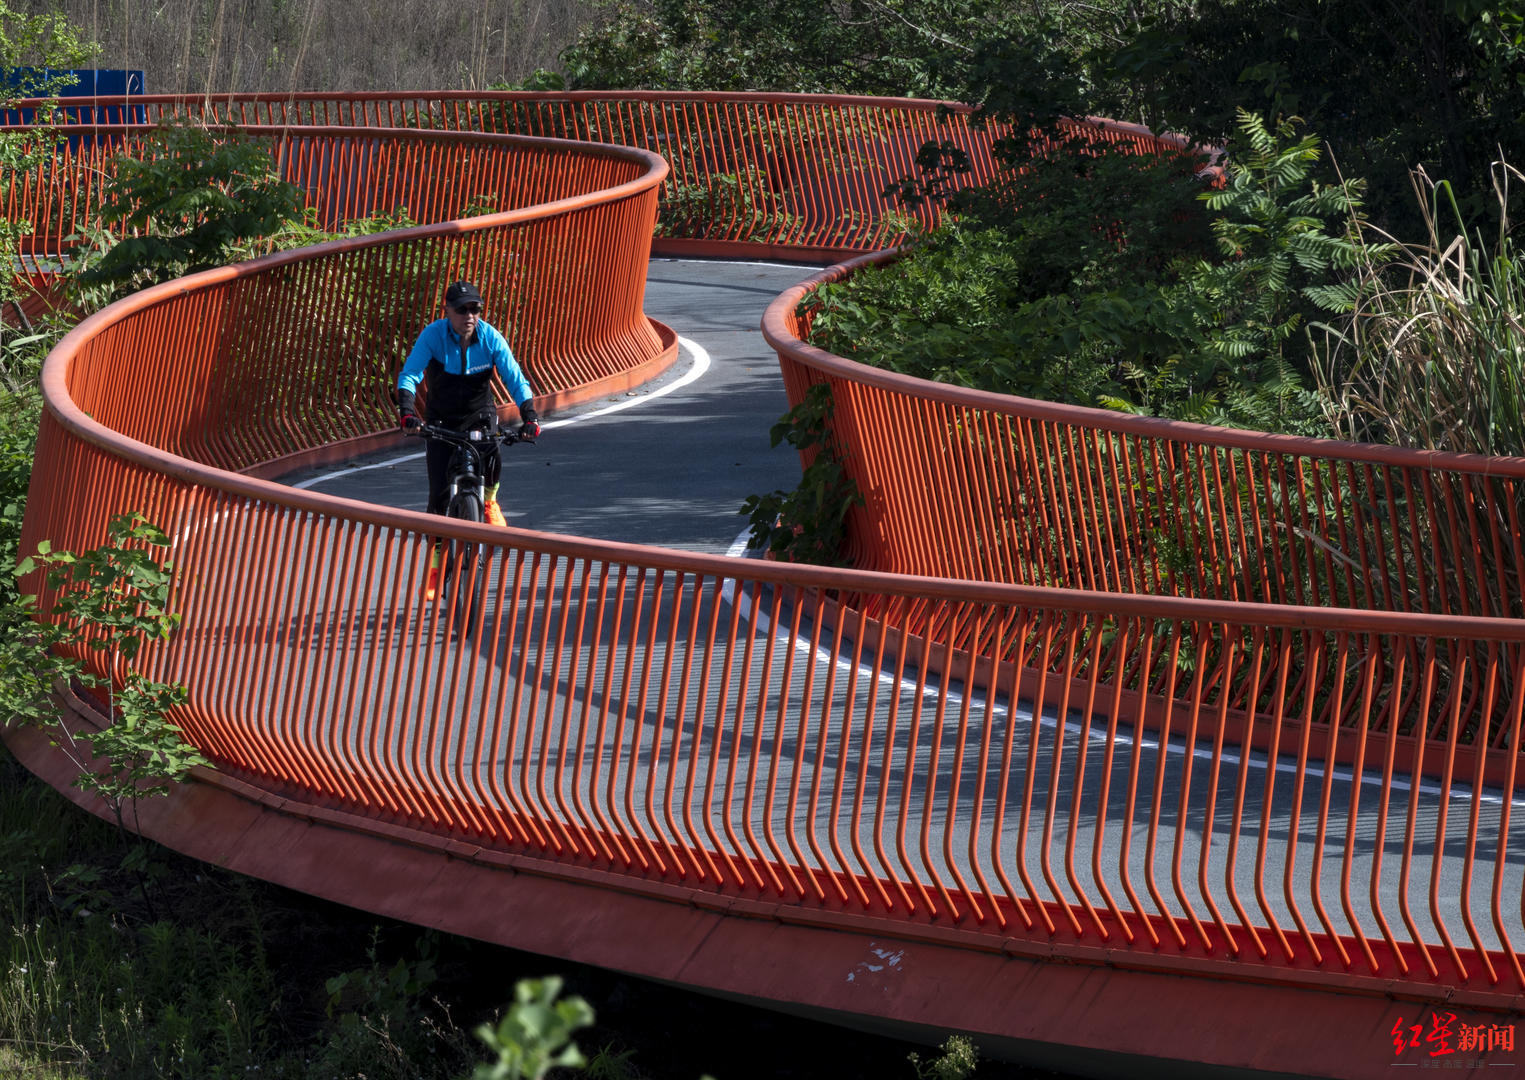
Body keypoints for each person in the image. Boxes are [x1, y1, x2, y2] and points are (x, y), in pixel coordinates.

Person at [397, 281, 540, 598]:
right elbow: (410, 374)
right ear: (446, 309)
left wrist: (530, 415)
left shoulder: (490, 338)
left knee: (495, 457)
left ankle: (487, 501)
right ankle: (436, 566)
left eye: (475, 308)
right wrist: (408, 411)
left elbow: (514, 376)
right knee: (438, 497)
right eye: (462, 309)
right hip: (441, 421)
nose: (469, 315)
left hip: (479, 415)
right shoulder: (433, 336)